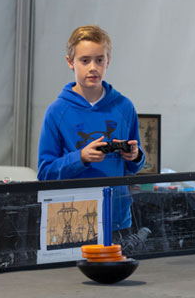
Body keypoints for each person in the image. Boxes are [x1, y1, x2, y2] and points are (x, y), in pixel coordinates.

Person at [38, 25, 146, 242]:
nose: (93, 67)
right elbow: (45, 173)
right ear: (70, 62)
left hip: (117, 219)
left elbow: (135, 166)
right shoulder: (57, 112)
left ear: (108, 61)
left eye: (99, 60)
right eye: (85, 60)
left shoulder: (124, 107)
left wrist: (135, 156)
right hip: (71, 219)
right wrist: (80, 158)